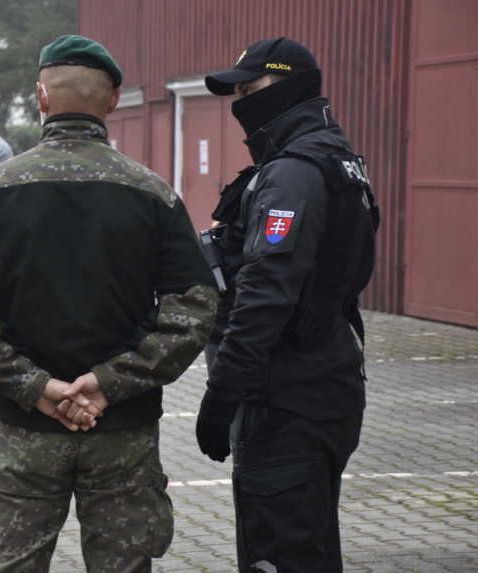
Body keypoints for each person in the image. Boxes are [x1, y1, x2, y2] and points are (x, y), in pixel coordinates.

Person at [0, 35, 217, 570]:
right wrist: (110, 383)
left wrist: (34, 386)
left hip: (25, 430)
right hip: (123, 431)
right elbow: (195, 308)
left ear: (42, 98)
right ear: (112, 101)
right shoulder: (152, 194)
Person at [197, 38, 378, 572]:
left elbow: (265, 295)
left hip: (287, 400)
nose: (241, 102)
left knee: (279, 556)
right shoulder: (338, 160)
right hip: (327, 384)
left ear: (289, 87)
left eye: (252, 89)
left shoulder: (293, 174)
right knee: (313, 548)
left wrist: (222, 395)